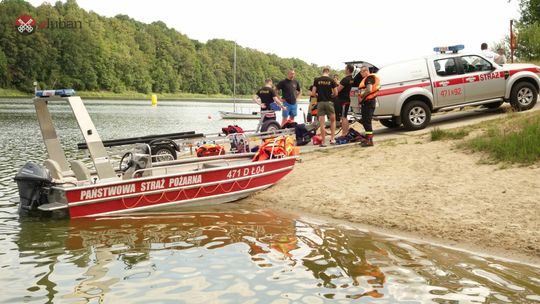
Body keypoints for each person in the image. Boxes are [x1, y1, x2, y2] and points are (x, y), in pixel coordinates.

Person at [311, 67, 337, 147]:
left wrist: (317, 95)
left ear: (323, 72)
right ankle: (332, 139)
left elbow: (313, 93)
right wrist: (331, 95)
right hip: (329, 102)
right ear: (328, 72)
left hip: (320, 102)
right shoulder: (331, 80)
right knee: (333, 121)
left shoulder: (317, 80)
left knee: (322, 123)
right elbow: (336, 93)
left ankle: (323, 142)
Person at [357, 65, 380, 147]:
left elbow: (369, 89)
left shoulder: (369, 78)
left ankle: (370, 141)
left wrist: (362, 95)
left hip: (369, 102)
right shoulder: (368, 78)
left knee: (367, 122)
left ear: (366, 71)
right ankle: (367, 138)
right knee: (365, 121)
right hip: (367, 102)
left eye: (361, 72)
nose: (361, 74)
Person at [336, 64, 354, 136]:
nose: (344, 70)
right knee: (345, 116)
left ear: (348, 70)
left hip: (343, 100)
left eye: (345, 68)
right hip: (347, 99)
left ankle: (344, 133)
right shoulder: (352, 79)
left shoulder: (345, 79)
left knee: (343, 117)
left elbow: (338, 90)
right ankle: (346, 132)